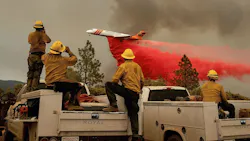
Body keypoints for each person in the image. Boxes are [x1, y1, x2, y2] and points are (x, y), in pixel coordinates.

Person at [103, 48, 144, 140]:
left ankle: (113, 105)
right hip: (135, 93)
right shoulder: (138, 66)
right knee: (133, 113)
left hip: (128, 91)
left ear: (124, 58)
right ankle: (135, 134)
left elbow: (114, 80)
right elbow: (142, 81)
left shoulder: (123, 66)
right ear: (132, 57)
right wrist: (138, 90)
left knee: (108, 85)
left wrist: (118, 85)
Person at [41, 41, 82, 110]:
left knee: (65, 88)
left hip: (49, 83)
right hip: (60, 83)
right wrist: (69, 51)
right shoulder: (64, 60)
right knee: (78, 85)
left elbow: (43, 57)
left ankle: (62, 105)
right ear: (60, 52)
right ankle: (72, 104)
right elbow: (74, 59)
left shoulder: (45, 57)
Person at [27, 20, 51, 92]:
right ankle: (33, 90)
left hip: (32, 55)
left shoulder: (31, 34)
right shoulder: (42, 35)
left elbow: (29, 41)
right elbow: (49, 40)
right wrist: (44, 33)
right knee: (36, 74)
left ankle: (28, 89)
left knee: (30, 73)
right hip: (39, 55)